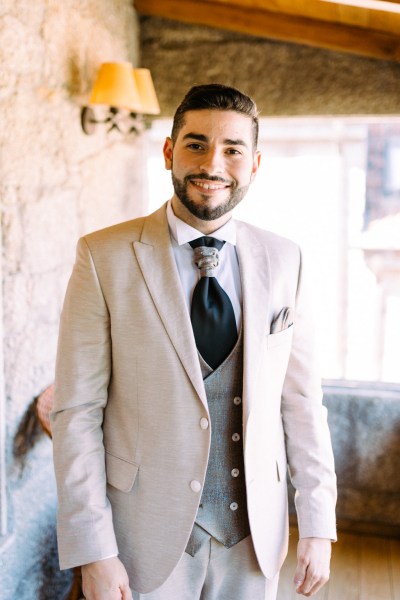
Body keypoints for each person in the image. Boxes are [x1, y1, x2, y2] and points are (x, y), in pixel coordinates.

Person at [51, 83, 337, 600]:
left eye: (232, 150)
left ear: (254, 163)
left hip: (253, 538)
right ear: (168, 152)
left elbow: (301, 403)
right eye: (196, 144)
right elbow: (77, 412)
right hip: (142, 538)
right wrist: (94, 550)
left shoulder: (286, 258)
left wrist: (318, 523)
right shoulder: (103, 256)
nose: (213, 164)